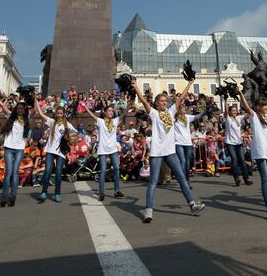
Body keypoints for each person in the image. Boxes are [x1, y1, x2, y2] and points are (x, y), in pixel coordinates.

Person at [133, 81, 205, 223]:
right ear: (157, 103)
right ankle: (148, 211)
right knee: (153, 181)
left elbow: (180, 98)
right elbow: (142, 100)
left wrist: (190, 83)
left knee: (181, 178)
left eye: (166, 100)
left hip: (170, 152)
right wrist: (135, 86)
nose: (164, 102)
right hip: (157, 153)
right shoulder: (154, 113)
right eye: (161, 101)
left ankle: (192, 205)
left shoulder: (171, 112)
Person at [236, 85, 267, 220]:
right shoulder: (254, 116)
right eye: (263, 105)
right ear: (258, 106)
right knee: (266, 179)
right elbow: (246, 106)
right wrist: (240, 93)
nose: (265, 107)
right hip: (260, 153)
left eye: (266, 105)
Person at [35, 96, 77, 203]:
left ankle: (57, 194)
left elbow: (76, 133)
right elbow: (41, 114)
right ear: (55, 114)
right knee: (48, 170)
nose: (59, 115)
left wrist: (68, 137)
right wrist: (36, 101)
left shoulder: (67, 124)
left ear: (63, 114)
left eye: (60, 113)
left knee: (58, 172)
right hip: (50, 149)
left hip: (61, 151)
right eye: (57, 113)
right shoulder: (52, 122)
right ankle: (44, 192)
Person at [83, 99, 126, 201]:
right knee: (102, 170)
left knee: (116, 168)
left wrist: (129, 106)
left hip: (113, 149)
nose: (111, 112)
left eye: (112, 111)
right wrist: (85, 107)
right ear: (105, 112)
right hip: (102, 149)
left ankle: (117, 191)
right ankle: (101, 192)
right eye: (109, 111)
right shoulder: (101, 122)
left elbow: (123, 114)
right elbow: (92, 116)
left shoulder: (115, 121)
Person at [0, 94, 29, 207]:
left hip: (19, 149)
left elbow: (35, 109)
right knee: (8, 172)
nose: (19, 110)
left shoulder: (26, 120)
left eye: (21, 108)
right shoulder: (10, 116)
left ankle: (13, 196)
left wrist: (33, 97)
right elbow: (2, 105)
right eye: (18, 108)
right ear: (15, 109)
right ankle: (4, 197)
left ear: (24, 110)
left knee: (15, 172)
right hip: (9, 147)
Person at [173, 79, 206, 184]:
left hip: (187, 142)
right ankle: (183, 180)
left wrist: (206, 110)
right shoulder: (174, 118)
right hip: (178, 142)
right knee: (182, 161)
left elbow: (198, 116)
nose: (185, 110)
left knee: (187, 162)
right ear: (179, 110)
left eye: (185, 109)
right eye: (183, 109)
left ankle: (186, 180)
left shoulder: (187, 117)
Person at [223, 105, 253, 186]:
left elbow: (248, 113)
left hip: (238, 142)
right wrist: (225, 101)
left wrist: (249, 106)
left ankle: (246, 179)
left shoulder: (239, 118)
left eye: (235, 110)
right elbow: (225, 113)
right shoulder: (228, 119)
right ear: (229, 112)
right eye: (232, 110)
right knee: (234, 160)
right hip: (230, 143)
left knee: (242, 160)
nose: (234, 112)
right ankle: (237, 178)